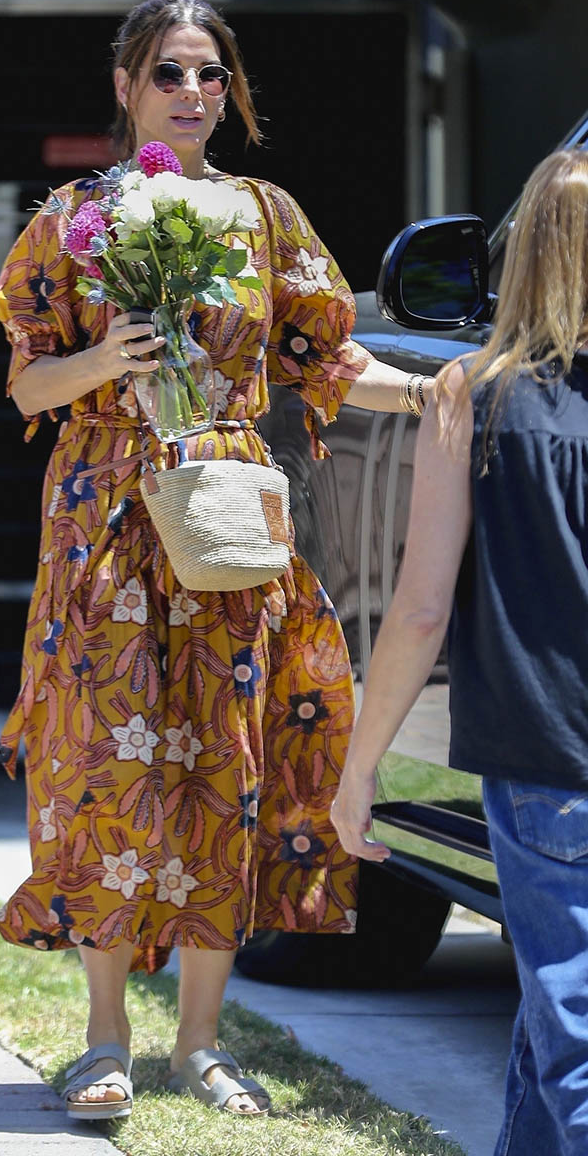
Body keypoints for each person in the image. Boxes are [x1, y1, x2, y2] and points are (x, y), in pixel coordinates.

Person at [0, 0, 433, 1120]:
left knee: (223, 761)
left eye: (208, 74)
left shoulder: (264, 213)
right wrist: (109, 361)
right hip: (103, 513)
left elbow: (325, 361)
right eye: (169, 73)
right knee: (102, 761)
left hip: (229, 511)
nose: (191, 93)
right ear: (126, 86)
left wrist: (447, 394)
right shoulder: (72, 221)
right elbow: (28, 378)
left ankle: (198, 1044)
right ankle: (102, 1042)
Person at [330, 146, 588, 1155]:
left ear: (522, 256)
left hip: (541, 764)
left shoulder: (467, 396)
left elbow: (421, 609)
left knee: (570, 1037)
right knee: (548, 1017)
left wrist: (358, 768)